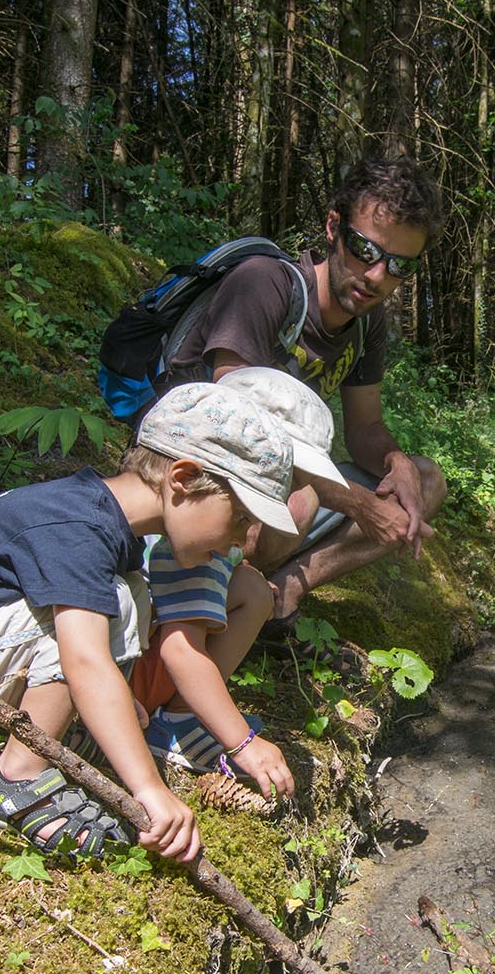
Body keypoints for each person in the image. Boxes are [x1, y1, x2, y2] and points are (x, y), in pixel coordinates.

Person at [0, 383, 297, 861]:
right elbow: (86, 661)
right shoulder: (76, 527)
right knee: (108, 604)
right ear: (183, 477)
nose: (240, 541)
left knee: (127, 594)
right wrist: (149, 789)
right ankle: (14, 781)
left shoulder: (105, 524)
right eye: (239, 518)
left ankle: (60, 740)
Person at [163, 154, 450, 628]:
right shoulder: (263, 283)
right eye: (366, 249)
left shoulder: (366, 323)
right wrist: (360, 505)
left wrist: (397, 465)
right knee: (302, 499)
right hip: (201, 485)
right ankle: (223, 599)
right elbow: (234, 434)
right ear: (333, 227)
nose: (378, 276)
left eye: (400, 265)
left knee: (426, 479)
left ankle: (285, 588)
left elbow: (366, 429)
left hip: (280, 493)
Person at [68, 368, 345, 801]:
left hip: (126, 666)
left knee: (252, 589)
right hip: (120, 677)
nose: (287, 488)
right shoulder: (195, 542)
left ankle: (176, 717)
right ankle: (176, 721)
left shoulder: (186, 518)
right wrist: (242, 742)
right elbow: (181, 649)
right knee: (251, 592)